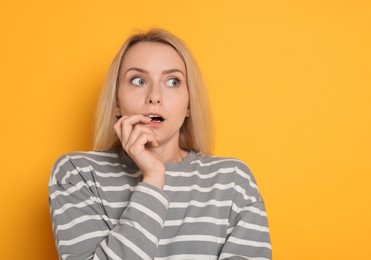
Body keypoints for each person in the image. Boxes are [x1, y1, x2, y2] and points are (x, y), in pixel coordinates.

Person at [49, 28, 272, 260]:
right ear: (116, 101)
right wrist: (153, 179)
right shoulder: (77, 174)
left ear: (188, 104)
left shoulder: (233, 180)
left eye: (173, 81)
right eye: (138, 80)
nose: (154, 96)